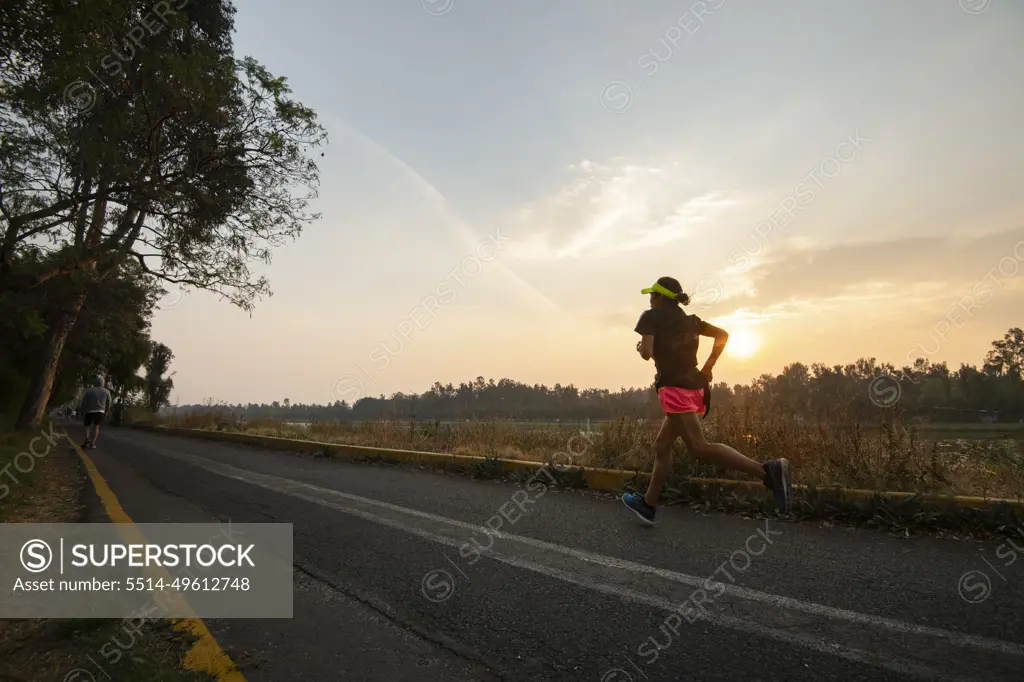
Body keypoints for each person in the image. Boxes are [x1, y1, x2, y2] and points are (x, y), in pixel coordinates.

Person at [621, 277, 793, 525]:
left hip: (674, 389)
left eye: (652, 295)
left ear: (660, 297)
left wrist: (641, 347)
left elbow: (647, 353)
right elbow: (722, 335)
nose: (649, 299)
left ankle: (767, 472)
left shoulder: (650, 316)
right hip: (695, 387)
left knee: (699, 447)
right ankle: (648, 504)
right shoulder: (690, 321)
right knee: (661, 446)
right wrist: (708, 367)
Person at [80, 375, 112, 449]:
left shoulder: (89, 390)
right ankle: (92, 443)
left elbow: (84, 401)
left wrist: (83, 410)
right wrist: (106, 411)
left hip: (89, 411)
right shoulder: (107, 392)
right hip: (100, 412)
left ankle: (86, 439)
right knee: (96, 427)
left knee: (87, 426)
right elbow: (109, 403)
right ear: (103, 383)